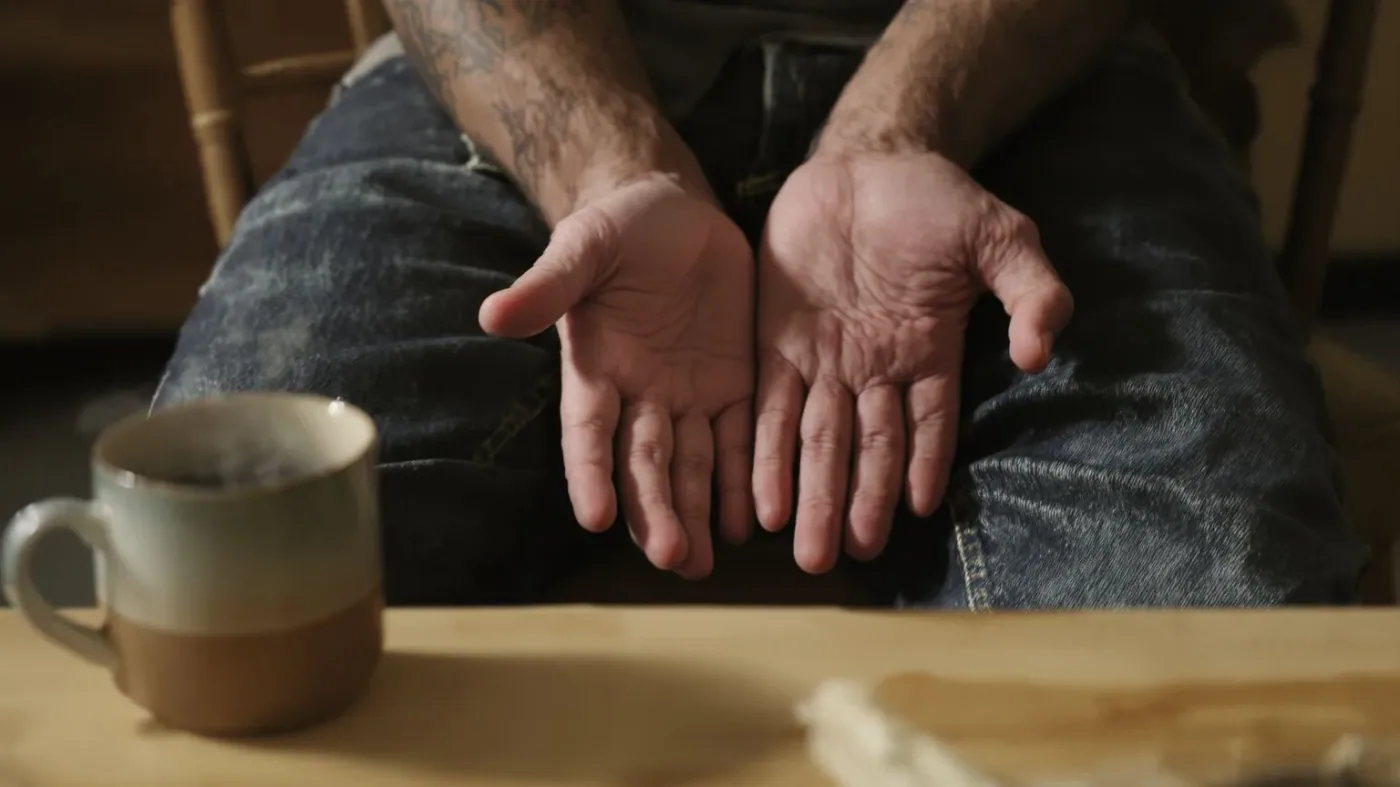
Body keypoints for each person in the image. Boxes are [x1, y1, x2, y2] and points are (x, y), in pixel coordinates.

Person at [153, 0, 1366, 607]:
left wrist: (902, 121)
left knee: (1215, 608)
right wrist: (602, 161)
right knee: (210, 580)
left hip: (1023, 68)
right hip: (526, 73)